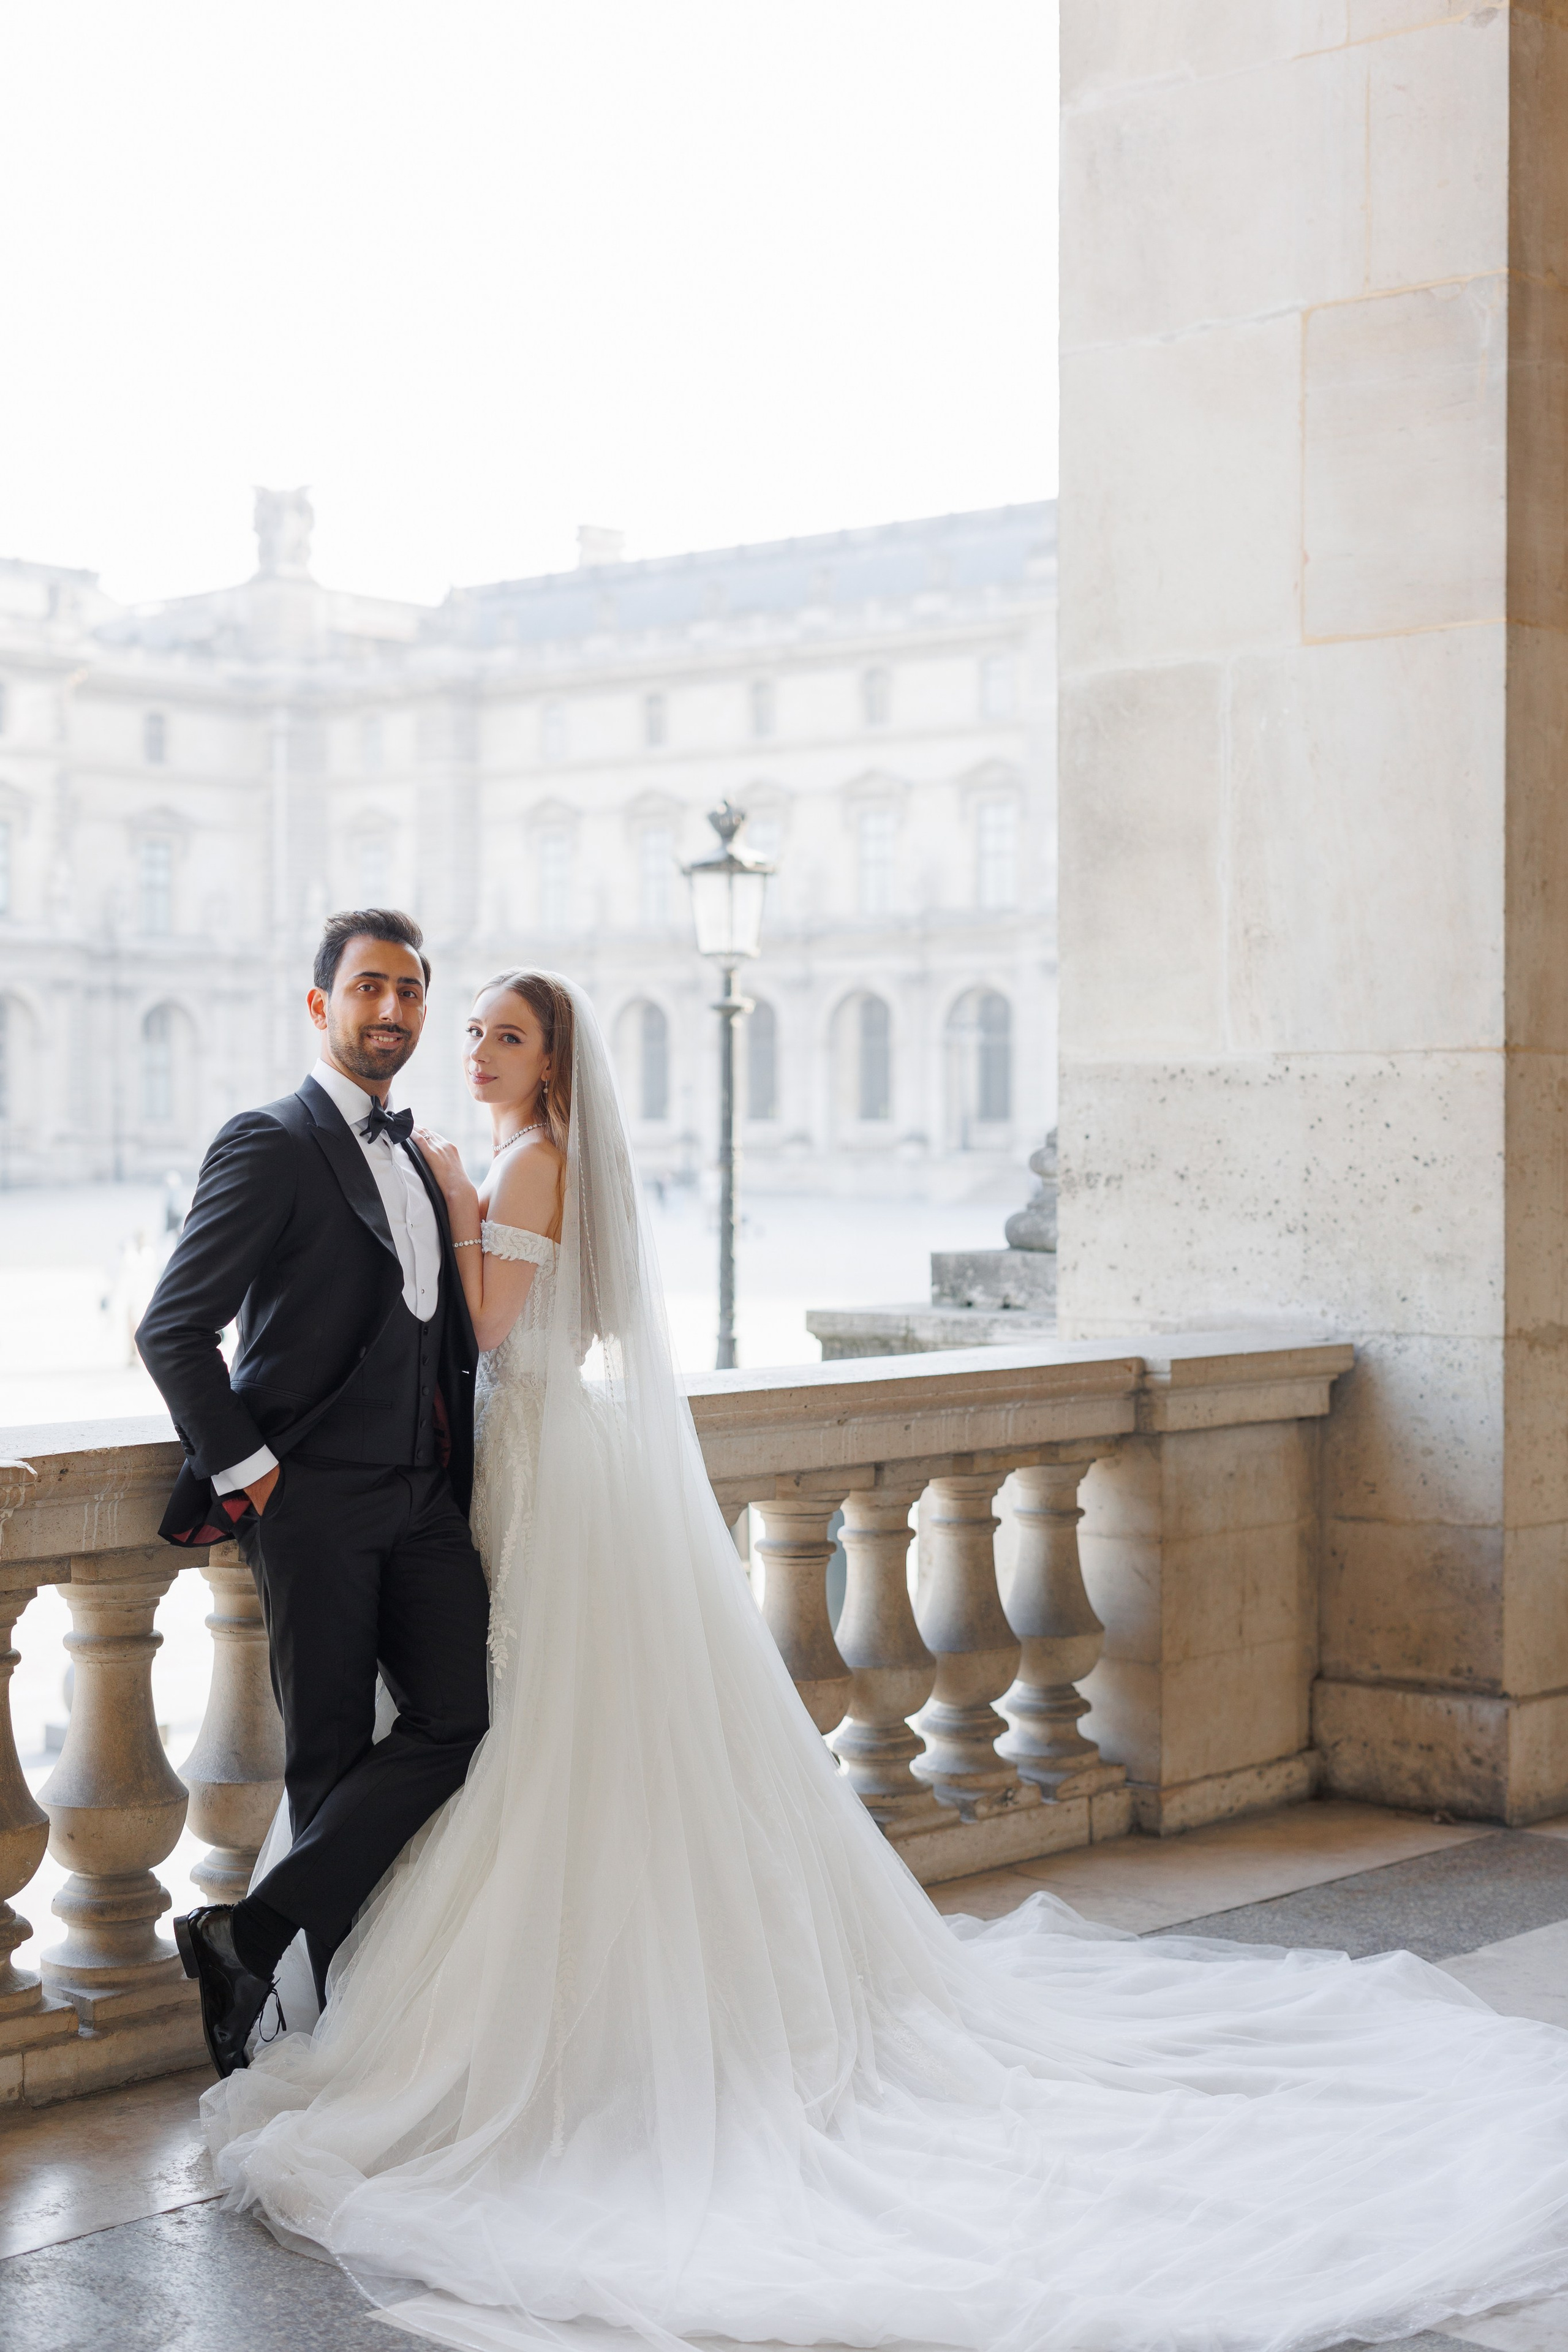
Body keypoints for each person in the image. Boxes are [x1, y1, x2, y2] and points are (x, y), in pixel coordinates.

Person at [202, 968, 1568, 2352]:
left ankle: (490, 2003)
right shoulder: (516, 1156)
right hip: (510, 1468)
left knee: (535, 1724)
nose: (480, 1051)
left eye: (506, 1036)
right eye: (475, 1031)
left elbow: (494, 1328)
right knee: (527, 1721)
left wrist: (447, 1191)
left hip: (538, 1460)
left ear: (554, 1067)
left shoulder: (523, 1160)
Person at [136, 910, 490, 2072]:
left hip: (425, 1498)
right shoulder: (271, 1141)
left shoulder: (421, 1154)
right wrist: (257, 1478)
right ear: (321, 1004)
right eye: (369, 987)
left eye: (411, 991)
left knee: (460, 1718)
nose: (392, 1010)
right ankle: (329, 2036)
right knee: (329, 1755)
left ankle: (247, 1933)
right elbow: (174, 1329)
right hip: (313, 1501)